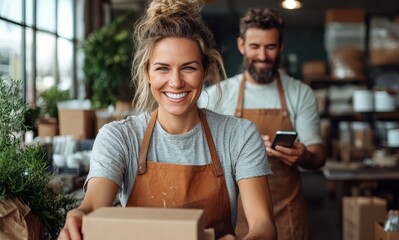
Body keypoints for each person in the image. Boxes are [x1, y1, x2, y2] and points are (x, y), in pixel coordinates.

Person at [58, 0, 277, 239]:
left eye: (188, 68)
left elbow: (263, 225)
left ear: (205, 71)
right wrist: (81, 214)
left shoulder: (239, 135)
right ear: (147, 73)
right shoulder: (119, 137)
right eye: (163, 68)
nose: (175, 82)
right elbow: (92, 207)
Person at [198, 7, 327, 240]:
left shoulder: (300, 93)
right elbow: (200, 153)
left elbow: (318, 156)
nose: (263, 56)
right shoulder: (217, 95)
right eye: (255, 47)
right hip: (235, 218)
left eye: (270, 47)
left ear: (281, 46)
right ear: (241, 46)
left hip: (287, 216)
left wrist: (303, 155)